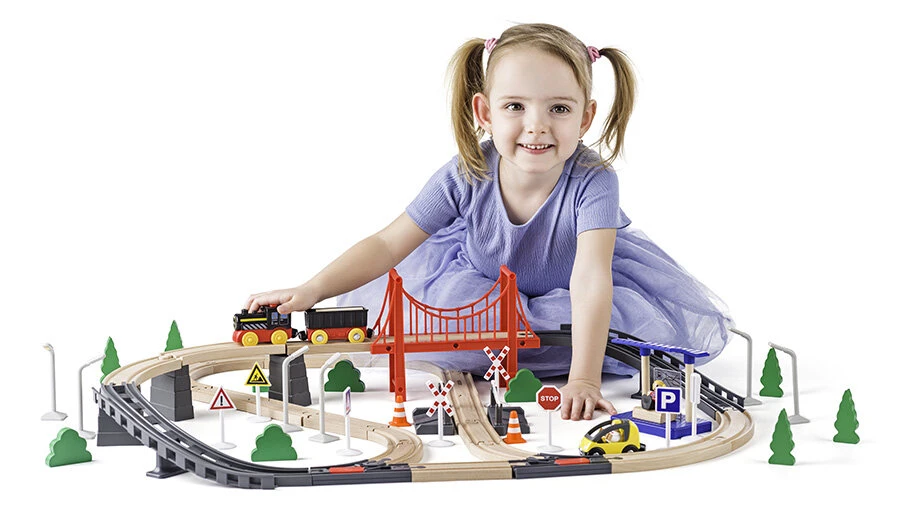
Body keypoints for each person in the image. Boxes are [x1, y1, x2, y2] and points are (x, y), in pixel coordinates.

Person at [244, 23, 733, 422]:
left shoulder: (594, 180)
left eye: (559, 109)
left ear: (585, 118)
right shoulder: (467, 172)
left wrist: (583, 379)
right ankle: (505, 354)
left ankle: (555, 357)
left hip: (569, 291)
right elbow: (389, 243)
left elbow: (590, 276)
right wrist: (312, 290)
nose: (537, 125)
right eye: (515, 106)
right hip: (480, 285)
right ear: (485, 112)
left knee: (608, 330)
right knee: (446, 321)